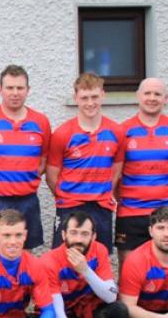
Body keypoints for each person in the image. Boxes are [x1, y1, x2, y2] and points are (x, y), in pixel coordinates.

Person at [0, 65, 52, 257]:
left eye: (20, 88)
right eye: (9, 88)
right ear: (0, 90)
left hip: (26, 201)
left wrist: (23, 180)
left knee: (23, 262)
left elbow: (44, 160)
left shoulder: (41, 122)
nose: (15, 93)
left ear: (28, 90)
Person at [46, 73, 124, 251]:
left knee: (99, 259)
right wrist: (67, 197)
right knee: (63, 262)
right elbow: (51, 177)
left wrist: (103, 193)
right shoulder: (62, 134)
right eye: (84, 98)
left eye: (95, 97)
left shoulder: (116, 131)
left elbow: (116, 169)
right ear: (76, 98)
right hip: (69, 207)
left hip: (101, 207)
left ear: (103, 95)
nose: (90, 103)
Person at [115, 78, 168, 262]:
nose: (152, 98)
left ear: (166, 98)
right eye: (147, 93)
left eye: (157, 94)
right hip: (131, 213)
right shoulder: (123, 130)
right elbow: (116, 174)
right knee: (129, 271)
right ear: (138, 96)